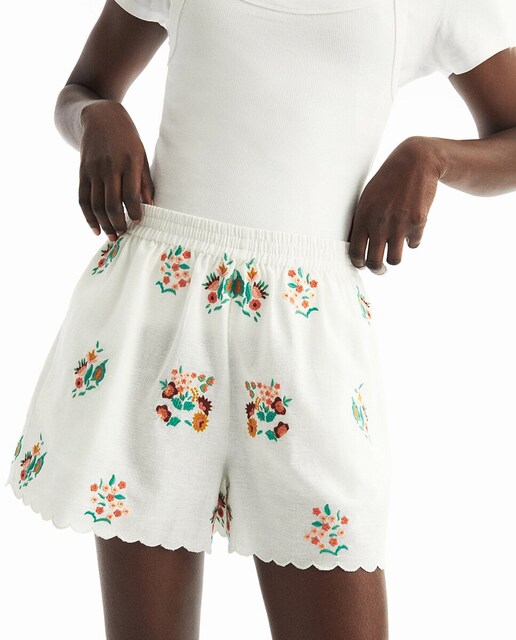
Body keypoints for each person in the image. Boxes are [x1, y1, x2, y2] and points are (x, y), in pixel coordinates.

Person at [5, 0, 516, 638]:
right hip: (160, 316)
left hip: (306, 335)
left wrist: (431, 157)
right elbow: (82, 89)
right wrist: (97, 116)